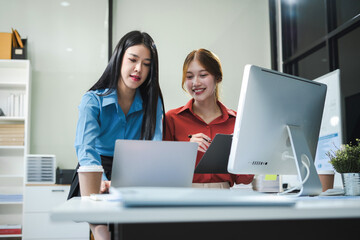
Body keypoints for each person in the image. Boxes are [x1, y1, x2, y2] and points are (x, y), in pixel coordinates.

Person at [68, 30, 165, 240]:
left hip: (133, 169)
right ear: (119, 58)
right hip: (95, 168)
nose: (139, 69)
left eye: (147, 64)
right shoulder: (92, 100)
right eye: (133, 60)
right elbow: (86, 149)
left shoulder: (153, 102)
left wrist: (127, 180)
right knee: (104, 227)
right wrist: (103, 180)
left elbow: (154, 148)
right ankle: (101, 233)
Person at [164, 48, 253, 188]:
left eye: (203, 75)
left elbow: (244, 179)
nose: (195, 82)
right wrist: (186, 151)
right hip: (184, 195)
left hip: (223, 196)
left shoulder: (237, 122)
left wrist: (245, 153)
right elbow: (162, 171)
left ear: (218, 77)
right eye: (189, 77)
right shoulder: (172, 119)